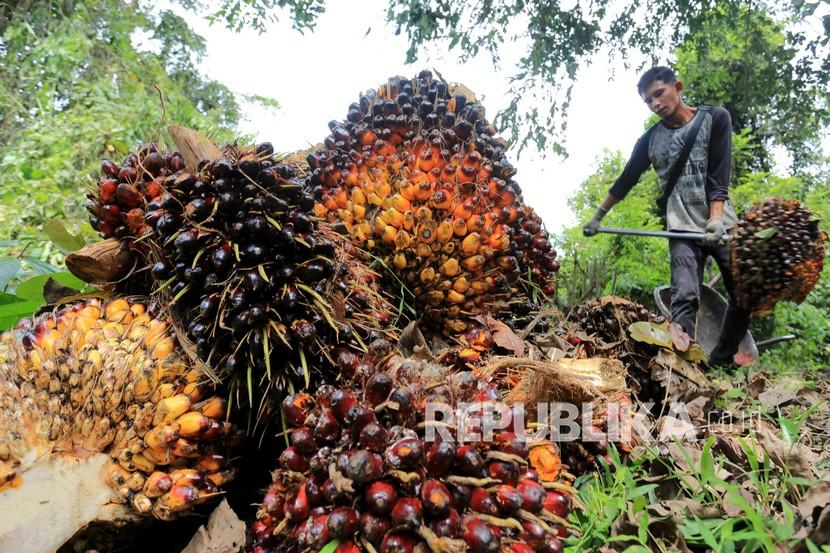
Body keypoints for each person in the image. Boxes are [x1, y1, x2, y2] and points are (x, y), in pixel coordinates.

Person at [582, 66, 750, 367]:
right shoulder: (650, 141)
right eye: (648, 101)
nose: (655, 104)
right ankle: (685, 367)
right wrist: (598, 217)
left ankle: (719, 361)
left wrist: (715, 218)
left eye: (659, 94)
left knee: (744, 292)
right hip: (681, 230)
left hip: (722, 225)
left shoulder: (715, 118)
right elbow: (625, 180)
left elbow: (718, 175)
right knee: (684, 295)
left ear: (678, 87)